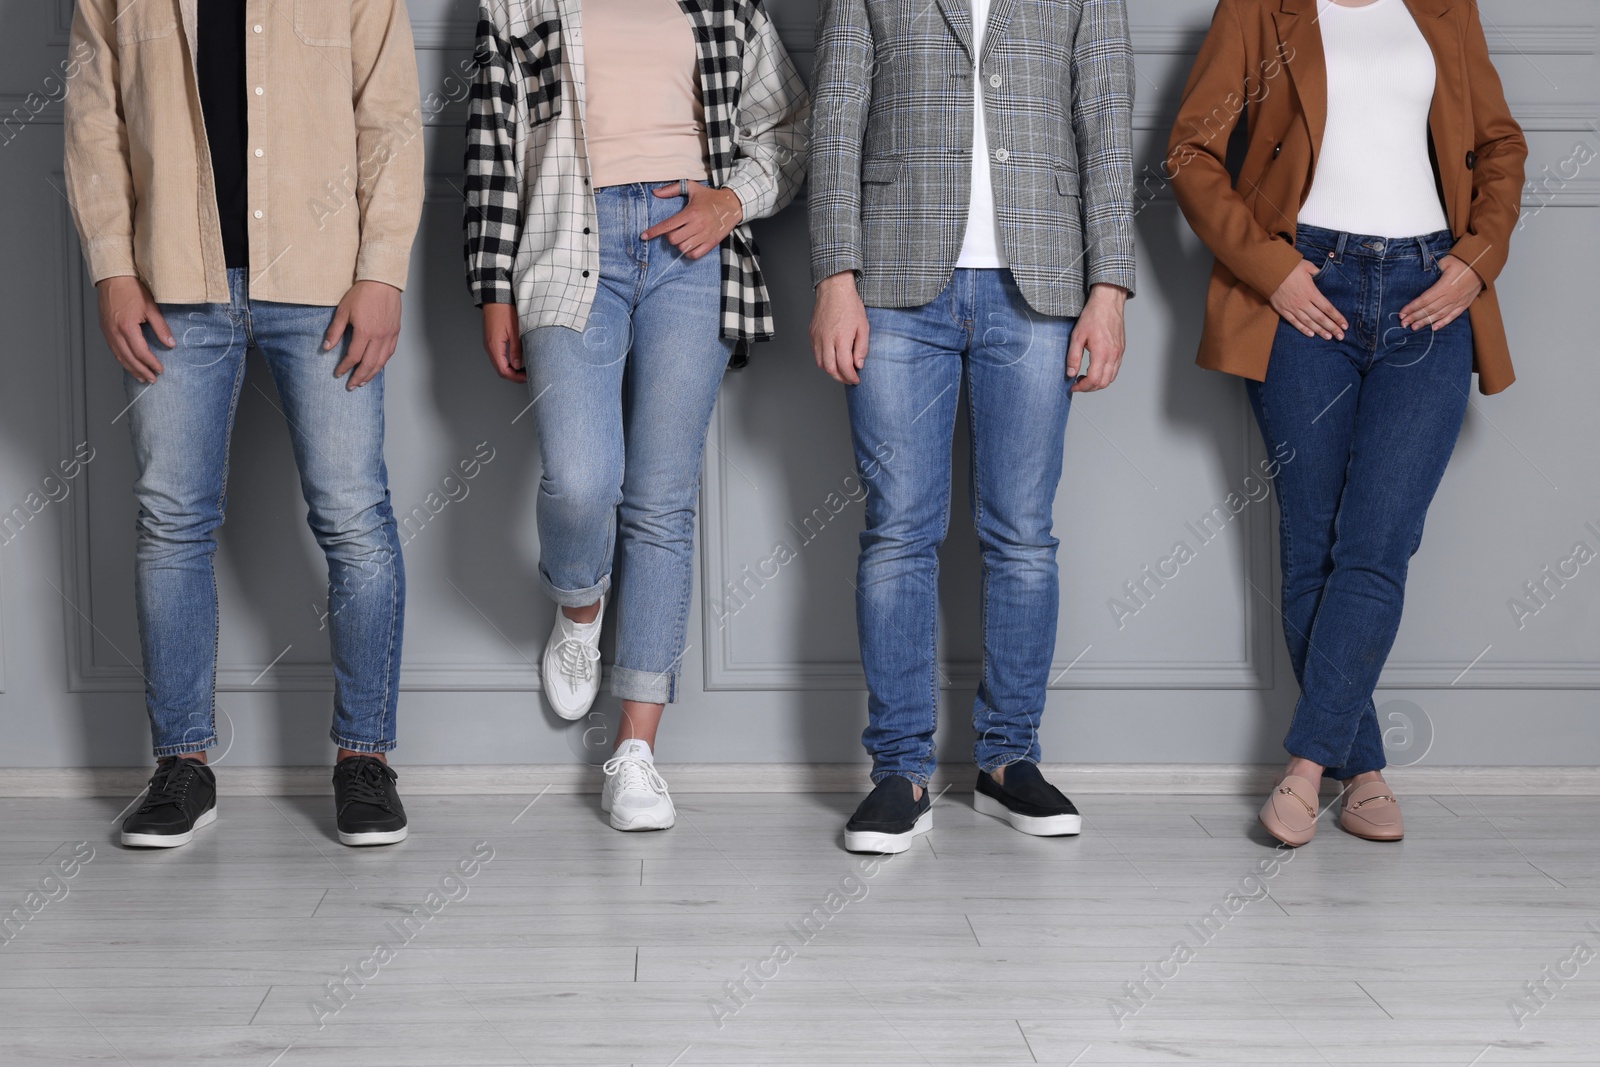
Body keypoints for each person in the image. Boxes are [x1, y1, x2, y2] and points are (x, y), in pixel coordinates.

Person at [64, 0, 424, 848]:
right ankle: (181, 763)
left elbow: (391, 113)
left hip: (325, 280)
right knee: (172, 522)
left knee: (354, 519)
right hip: (171, 283)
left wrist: (382, 273)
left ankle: (363, 759)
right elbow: (92, 113)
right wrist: (112, 267)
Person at [1168, 0, 1526, 846]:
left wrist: (1474, 265)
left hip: (1426, 292)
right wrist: (1274, 271)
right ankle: (1361, 770)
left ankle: (1303, 769)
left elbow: (1502, 145)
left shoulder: (1446, 8)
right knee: (1314, 544)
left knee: (1379, 537)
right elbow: (1190, 152)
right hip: (1307, 291)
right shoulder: (1256, 10)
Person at [466, 0, 807, 830]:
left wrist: (728, 203)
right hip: (567, 242)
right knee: (582, 482)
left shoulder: (728, 6)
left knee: (661, 500)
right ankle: (579, 608)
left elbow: (789, 130)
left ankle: (636, 754)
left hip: (688, 250)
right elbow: (490, 153)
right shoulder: (516, 5)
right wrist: (490, 286)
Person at [808, 0, 1137, 852]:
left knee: (1023, 534)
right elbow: (838, 112)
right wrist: (834, 276)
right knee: (898, 532)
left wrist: (1111, 288)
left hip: (1042, 285)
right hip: (890, 277)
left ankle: (1008, 762)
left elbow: (1105, 121)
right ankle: (899, 771)